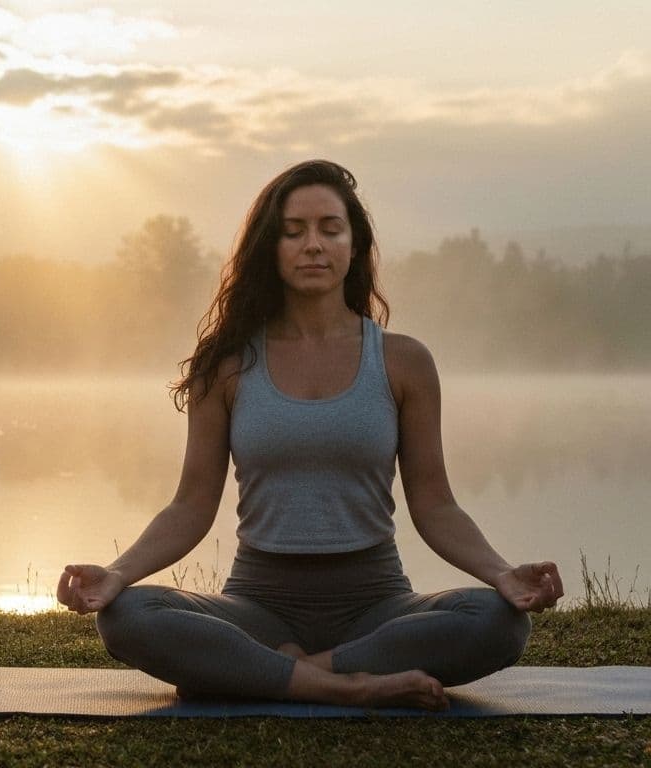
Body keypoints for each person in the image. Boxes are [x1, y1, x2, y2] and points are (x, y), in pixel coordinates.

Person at [55, 159, 563, 710]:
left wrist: (503, 574)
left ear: (354, 244)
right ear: (269, 249)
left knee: (497, 622)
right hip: (258, 609)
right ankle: (350, 685)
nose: (313, 245)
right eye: (293, 232)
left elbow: (436, 506)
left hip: (377, 606)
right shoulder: (225, 366)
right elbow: (190, 506)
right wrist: (118, 573)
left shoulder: (404, 362)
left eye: (330, 228)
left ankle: (273, 675)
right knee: (128, 616)